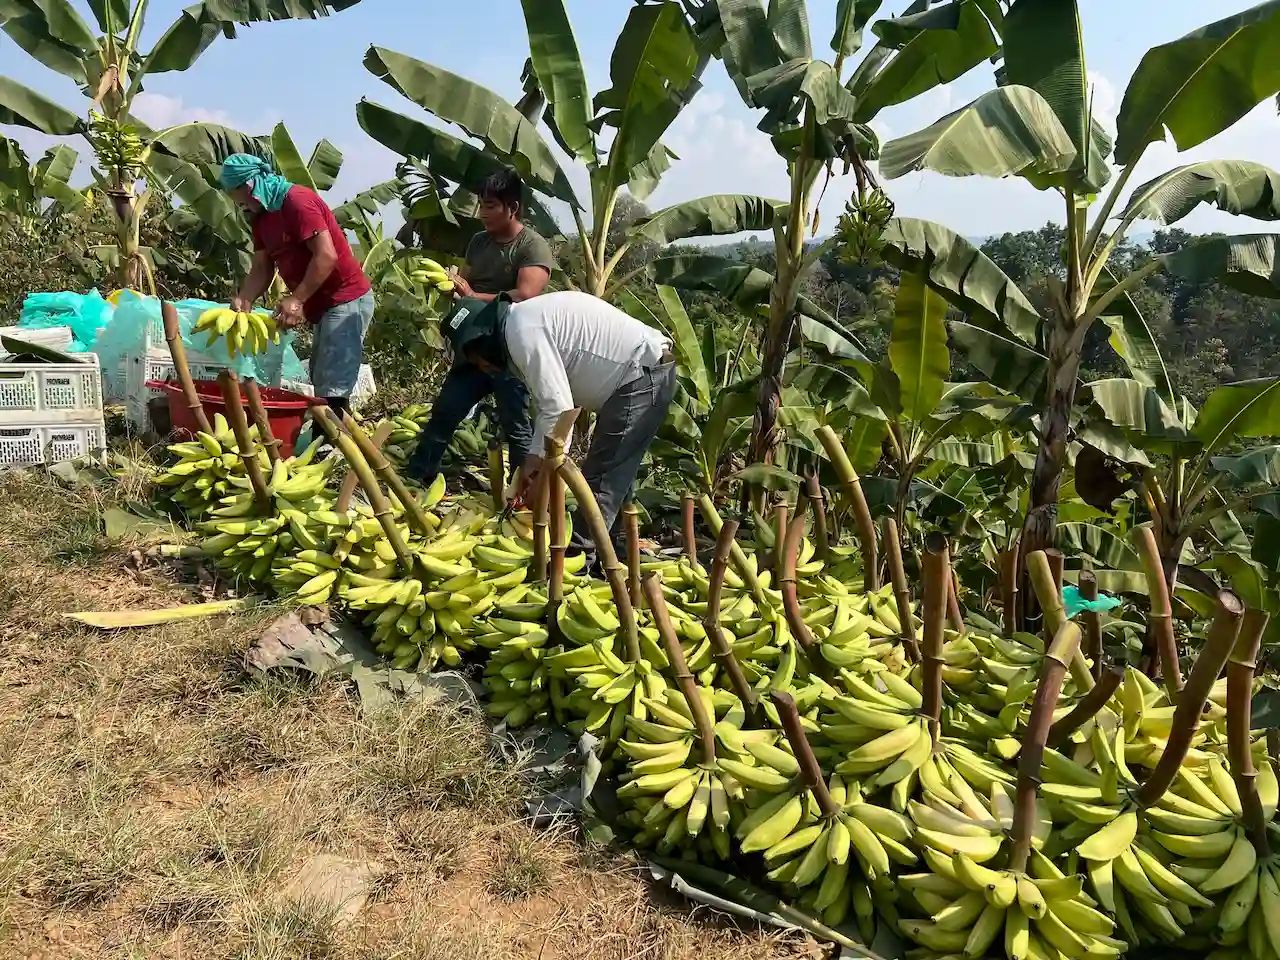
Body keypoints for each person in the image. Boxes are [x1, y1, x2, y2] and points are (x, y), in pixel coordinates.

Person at [444, 291, 676, 553]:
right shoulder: (521, 324)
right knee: (616, 474)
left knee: (602, 481)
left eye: (477, 361)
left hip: (640, 376)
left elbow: (558, 409)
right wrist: (531, 464)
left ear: (480, 343)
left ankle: (580, 559)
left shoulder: (522, 333)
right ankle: (615, 547)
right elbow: (547, 409)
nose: (483, 369)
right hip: (639, 375)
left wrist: (543, 479)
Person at [407, 168, 554, 483]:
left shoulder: (532, 246)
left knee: (516, 425)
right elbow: (467, 280)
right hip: (474, 346)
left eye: (490, 206)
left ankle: (520, 495)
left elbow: (526, 294)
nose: (482, 213)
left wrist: (474, 296)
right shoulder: (478, 242)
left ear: (512, 208)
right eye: (481, 205)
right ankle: (417, 478)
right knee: (446, 411)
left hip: (511, 349)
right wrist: (454, 286)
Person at [220, 154, 373, 418]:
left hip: (345, 298)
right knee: (322, 377)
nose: (240, 205)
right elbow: (262, 266)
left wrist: (296, 299)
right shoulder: (261, 217)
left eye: (238, 197)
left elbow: (326, 256)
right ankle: (330, 440)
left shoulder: (297, 202)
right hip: (321, 304)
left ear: (249, 186)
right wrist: (245, 299)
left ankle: (333, 449)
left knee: (332, 385)